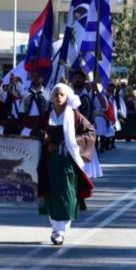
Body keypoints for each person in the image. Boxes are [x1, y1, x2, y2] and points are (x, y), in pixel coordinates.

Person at [37, 83, 95, 245]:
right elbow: (36, 131)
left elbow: (90, 132)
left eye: (61, 94)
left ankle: (61, 230)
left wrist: (69, 143)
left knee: (66, 194)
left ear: (67, 96)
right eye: (55, 94)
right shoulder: (46, 115)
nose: (58, 97)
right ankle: (56, 229)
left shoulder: (75, 116)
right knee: (51, 193)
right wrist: (44, 136)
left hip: (67, 161)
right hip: (48, 160)